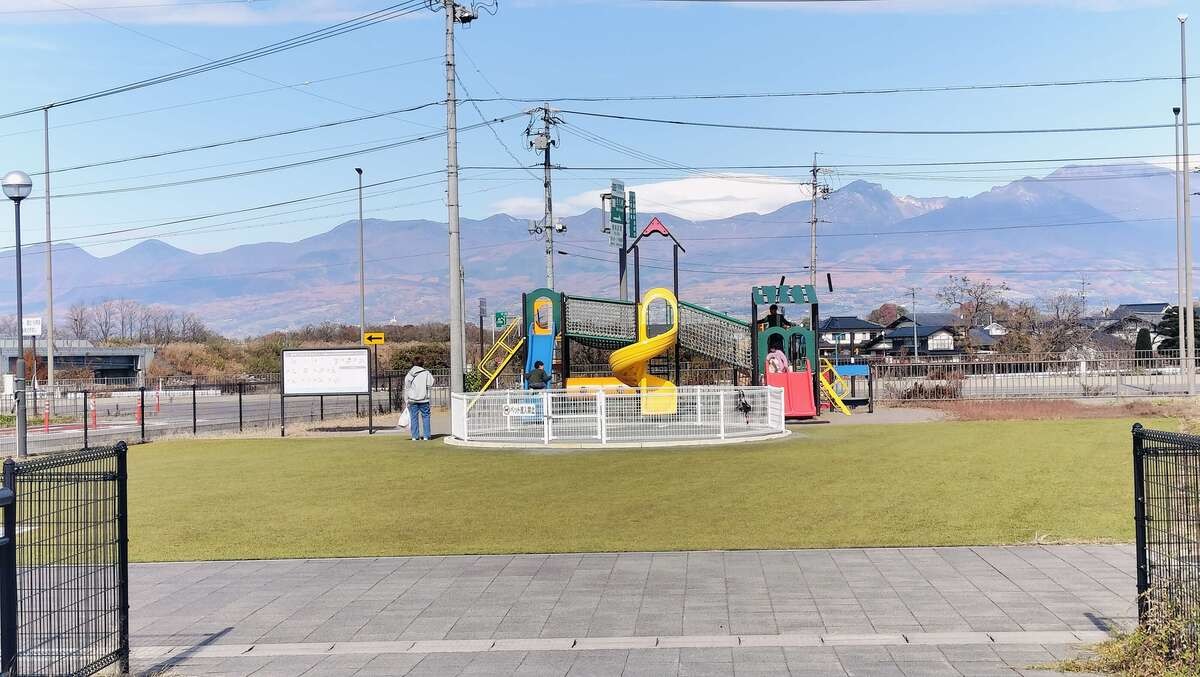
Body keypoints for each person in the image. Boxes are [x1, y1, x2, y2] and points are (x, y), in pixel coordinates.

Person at [403, 364, 434, 441]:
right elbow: (431, 383)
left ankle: (415, 436)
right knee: (426, 417)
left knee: (414, 417)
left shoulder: (410, 374)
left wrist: (406, 399)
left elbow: (407, 386)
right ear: (422, 364)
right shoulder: (426, 373)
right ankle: (427, 436)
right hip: (424, 399)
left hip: (412, 399)